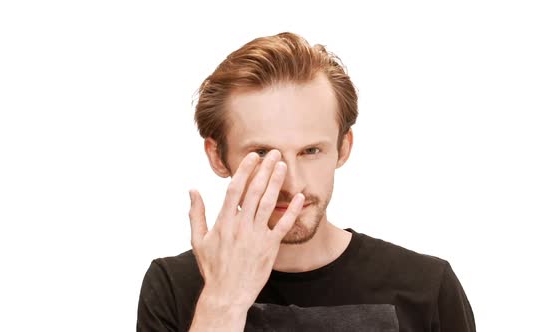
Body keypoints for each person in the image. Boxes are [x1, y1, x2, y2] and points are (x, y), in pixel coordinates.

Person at [137, 32, 476, 332]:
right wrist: (221, 304)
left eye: (311, 150)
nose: (293, 183)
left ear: (343, 149)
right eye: (263, 153)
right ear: (217, 156)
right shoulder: (174, 286)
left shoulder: (427, 286)